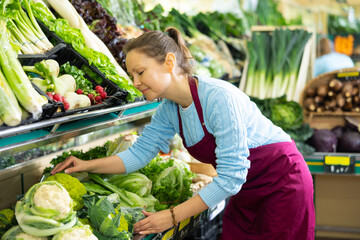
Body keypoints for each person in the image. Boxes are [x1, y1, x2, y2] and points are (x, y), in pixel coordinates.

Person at [51, 27, 315, 239]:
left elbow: (232, 176)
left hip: (282, 184)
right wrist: (85, 165)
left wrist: (172, 216)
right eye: (132, 75)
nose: (135, 83)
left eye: (140, 72)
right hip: (246, 191)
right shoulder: (170, 108)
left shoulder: (218, 98)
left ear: (169, 62)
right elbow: (139, 154)